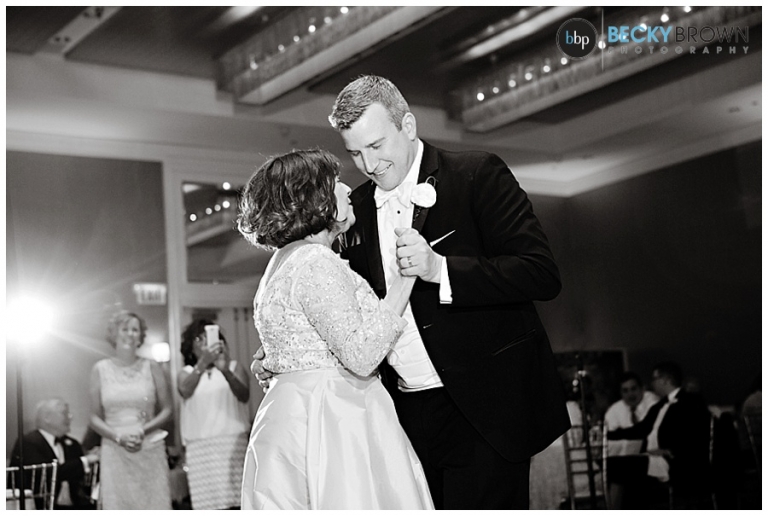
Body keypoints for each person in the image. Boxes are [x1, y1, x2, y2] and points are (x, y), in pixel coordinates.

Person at [254, 75, 569, 509]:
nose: (369, 165)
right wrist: (288, 349)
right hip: (399, 415)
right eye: (355, 153)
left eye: (376, 145)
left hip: (483, 408)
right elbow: (337, 304)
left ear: (407, 125)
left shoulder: (475, 174)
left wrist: (440, 269)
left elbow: (540, 272)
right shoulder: (352, 210)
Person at [237, 148, 432, 509]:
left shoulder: (281, 262)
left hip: (292, 413)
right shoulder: (316, 260)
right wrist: (407, 276)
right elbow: (362, 356)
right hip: (334, 416)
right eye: (336, 183)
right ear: (314, 199)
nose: (347, 190)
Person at [88, 310, 173, 509]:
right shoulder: (100, 369)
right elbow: (93, 417)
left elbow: (168, 409)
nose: (130, 334)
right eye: (125, 329)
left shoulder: (152, 367)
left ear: (140, 336)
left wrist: (143, 431)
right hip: (114, 449)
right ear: (114, 333)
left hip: (149, 447)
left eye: (135, 330)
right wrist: (118, 437)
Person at [607, 362, 711, 509]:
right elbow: (640, 430)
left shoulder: (691, 401)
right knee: (614, 466)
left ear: (666, 380)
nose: (652, 384)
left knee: (616, 467)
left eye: (654, 379)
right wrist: (607, 435)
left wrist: (669, 450)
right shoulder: (660, 405)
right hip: (654, 457)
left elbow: (695, 435)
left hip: (675, 462)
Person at [178, 318, 250, 510]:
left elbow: (244, 395)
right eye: (198, 339)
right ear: (190, 347)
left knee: (238, 503)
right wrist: (203, 364)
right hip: (200, 448)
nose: (205, 343)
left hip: (232, 444)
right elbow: (185, 390)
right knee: (207, 506)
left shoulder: (234, 367)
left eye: (208, 337)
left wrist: (225, 370)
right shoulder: (186, 372)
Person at [9, 398, 99, 509]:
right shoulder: (28, 442)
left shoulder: (72, 444)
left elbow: (81, 480)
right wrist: (86, 461)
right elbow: (47, 474)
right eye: (64, 413)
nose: (70, 417)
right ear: (47, 417)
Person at [604, 371, 660, 456]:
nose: (630, 394)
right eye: (625, 391)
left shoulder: (652, 401)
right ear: (621, 393)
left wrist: (619, 433)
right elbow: (606, 435)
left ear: (642, 389)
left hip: (654, 453)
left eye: (633, 389)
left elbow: (643, 431)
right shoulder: (615, 409)